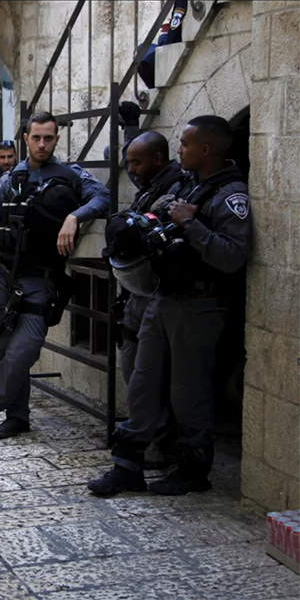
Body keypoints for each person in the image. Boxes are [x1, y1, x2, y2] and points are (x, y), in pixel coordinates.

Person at [89, 116, 252, 496]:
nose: (180, 150)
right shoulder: (190, 185)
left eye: (186, 144)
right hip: (163, 298)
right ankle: (127, 466)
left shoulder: (231, 195)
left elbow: (232, 257)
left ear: (206, 149)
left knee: (188, 392)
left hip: (199, 305)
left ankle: (193, 471)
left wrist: (191, 224)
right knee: (142, 383)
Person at [0, 112, 110, 440]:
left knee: (25, 350)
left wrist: (75, 216)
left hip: (40, 280)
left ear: (56, 139)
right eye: (36, 138)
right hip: (1, 275)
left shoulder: (71, 175)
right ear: (26, 139)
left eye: (48, 138)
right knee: (2, 350)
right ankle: (17, 416)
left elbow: (102, 197)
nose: (42, 144)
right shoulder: (9, 179)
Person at [115, 131, 187, 467]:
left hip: (159, 291)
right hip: (137, 293)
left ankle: (161, 442)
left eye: (136, 162)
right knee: (133, 368)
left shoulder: (177, 188)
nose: (131, 169)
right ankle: (144, 434)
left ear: (158, 159)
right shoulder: (150, 185)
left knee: (154, 375)